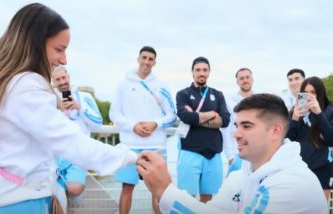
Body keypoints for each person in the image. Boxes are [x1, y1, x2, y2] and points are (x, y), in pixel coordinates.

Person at [0, 3, 138, 213]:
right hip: (24, 205)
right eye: (59, 49)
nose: (64, 60)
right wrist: (130, 156)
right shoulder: (26, 87)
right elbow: (71, 142)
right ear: (34, 44)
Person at [137, 93, 328, 213]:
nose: (235, 134)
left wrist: (165, 190)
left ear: (275, 131)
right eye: (236, 125)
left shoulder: (293, 184)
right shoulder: (241, 175)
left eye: (246, 126)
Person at [109, 46, 176, 214]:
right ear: (138, 59)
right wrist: (133, 126)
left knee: (158, 192)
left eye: (150, 59)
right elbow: (114, 114)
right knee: (126, 189)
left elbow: (172, 116)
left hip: (156, 146)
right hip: (129, 145)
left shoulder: (162, 86)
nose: (147, 62)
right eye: (144, 57)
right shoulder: (122, 85)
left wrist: (156, 124)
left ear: (155, 62)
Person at [175, 56, 230, 203]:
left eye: (205, 70)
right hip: (189, 151)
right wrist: (211, 115)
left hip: (213, 153)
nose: (201, 73)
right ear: (192, 72)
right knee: (187, 199)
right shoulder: (183, 94)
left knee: (208, 199)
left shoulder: (218, 95)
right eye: (198, 70)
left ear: (209, 72)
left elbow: (225, 120)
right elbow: (185, 116)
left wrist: (196, 116)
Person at [51, 65, 103, 200]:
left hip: (78, 152)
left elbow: (98, 122)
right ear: (53, 82)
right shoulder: (51, 98)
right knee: (52, 194)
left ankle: (58, 187)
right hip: (55, 153)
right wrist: (58, 110)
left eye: (63, 77)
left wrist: (80, 107)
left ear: (68, 77)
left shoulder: (84, 96)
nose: (62, 82)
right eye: (57, 79)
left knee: (75, 188)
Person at [287, 76, 333, 200]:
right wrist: (295, 118)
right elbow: (286, 141)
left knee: (321, 207)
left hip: (322, 169)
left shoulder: (329, 112)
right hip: (298, 168)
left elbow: (331, 139)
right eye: (305, 93)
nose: (309, 96)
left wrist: (318, 113)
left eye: (313, 92)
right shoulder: (294, 112)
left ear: (320, 93)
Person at [222, 68, 254, 175]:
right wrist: (230, 157)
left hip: (256, 155)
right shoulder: (230, 102)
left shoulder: (260, 101)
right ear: (237, 81)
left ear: (252, 79)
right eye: (241, 78)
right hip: (237, 155)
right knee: (233, 190)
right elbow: (225, 130)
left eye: (247, 77)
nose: (245, 80)